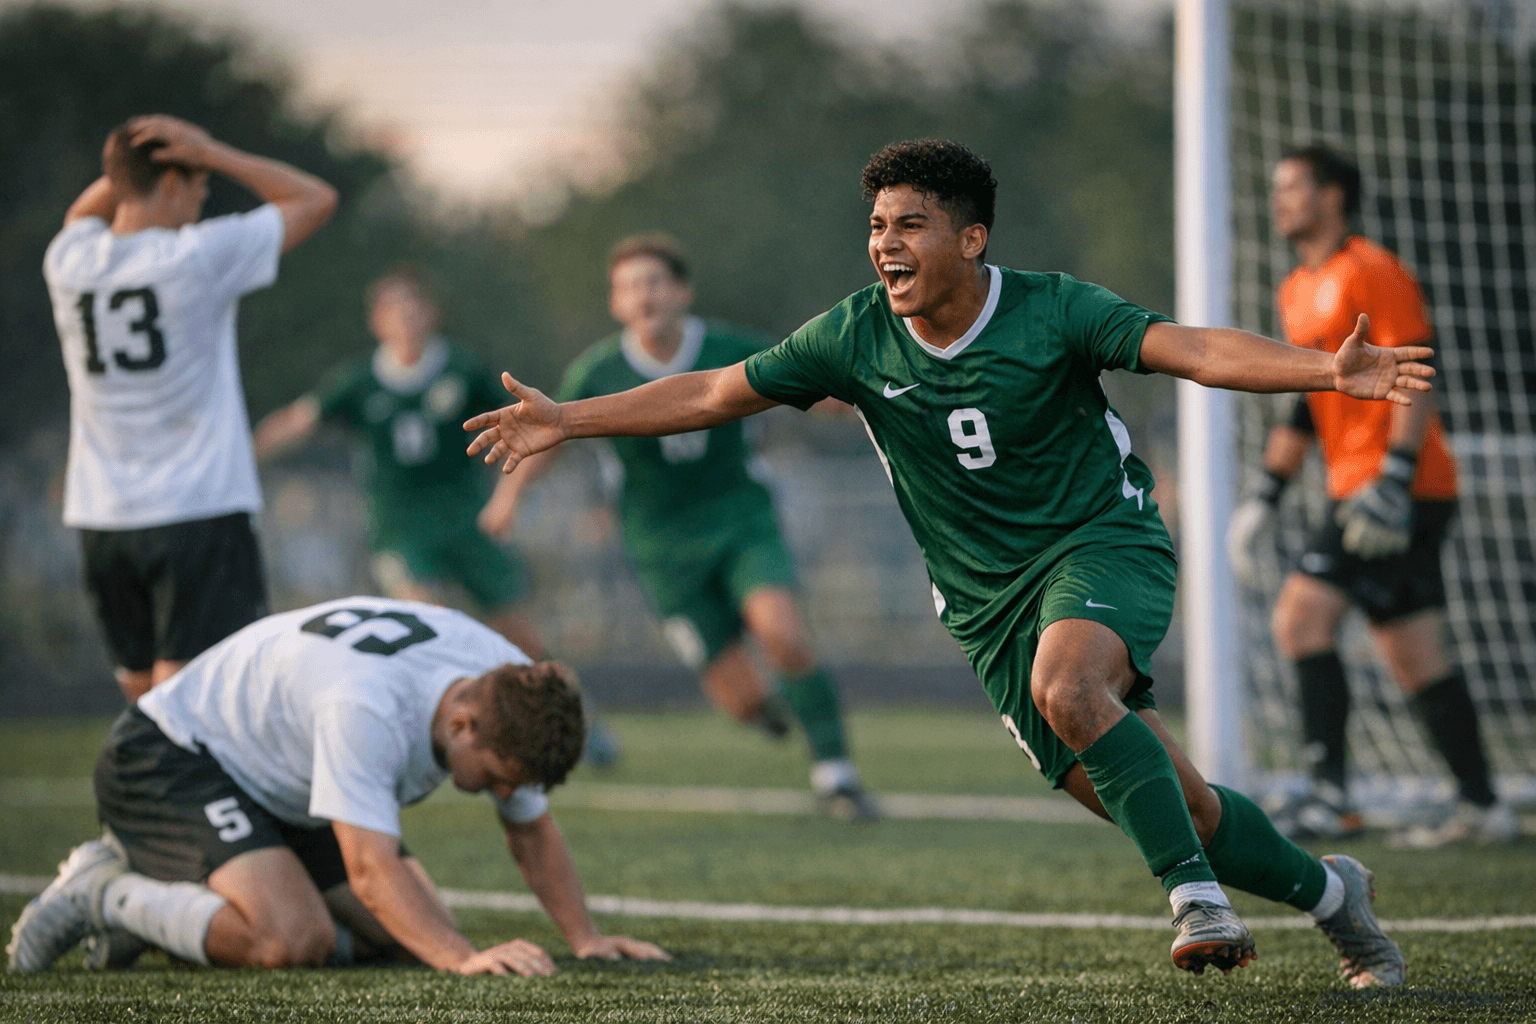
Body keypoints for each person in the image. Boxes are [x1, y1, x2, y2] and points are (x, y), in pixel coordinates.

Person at [466, 140, 1436, 986]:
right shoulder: (854, 334)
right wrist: (567, 420)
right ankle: (1332, 890)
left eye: (911, 224)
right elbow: (716, 391)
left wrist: (1322, 369)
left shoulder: (1053, 311)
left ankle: (1196, 902)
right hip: (984, 606)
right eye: (878, 224)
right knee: (1176, 802)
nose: (885, 243)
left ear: (971, 239)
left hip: (1104, 541)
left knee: (1073, 686)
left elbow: (1191, 349)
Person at [7, 596, 668, 974]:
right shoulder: (368, 708)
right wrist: (462, 959)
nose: (500, 794)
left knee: (407, 931)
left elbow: (531, 829)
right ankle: (106, 893)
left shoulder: (507, 689)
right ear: (462, 724)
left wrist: (584, 936)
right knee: (291, 940)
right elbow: (371, 869)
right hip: (170, 755)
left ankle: (173, 913)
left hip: (278, 779)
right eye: (495, 779)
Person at [480, 236, 875, 819]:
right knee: (739, 702)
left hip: (741, 520)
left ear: (682, 291)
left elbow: (802, 383)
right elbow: (550, 437)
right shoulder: (599, 369)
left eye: (656, 281)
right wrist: (508, 496)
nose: (645, 295)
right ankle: (769, 711)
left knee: (783, 634)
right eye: (630, 286)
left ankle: (836, 773)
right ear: (615, 303)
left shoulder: (727, 346)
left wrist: (859, 399)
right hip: (661, 547)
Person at [1228, 144, 1516, 848]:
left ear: (1332, 196)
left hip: (1397, 487)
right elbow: (1306, 402)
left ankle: (1332, 800)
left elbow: (1415, 371)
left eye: (1293, 187)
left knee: (1300, 619)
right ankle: (1483, 805)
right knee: (1415, 655)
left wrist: (1394, 475)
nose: (1280, 201)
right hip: (1362, 487)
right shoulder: (1296, 287)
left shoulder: (1371, 269)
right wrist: (1266, 495)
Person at [253, 269, 621, 767]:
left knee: (519, 634)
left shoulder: (463, 370)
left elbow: (520, 422)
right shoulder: (359, 381)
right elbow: (299, 419)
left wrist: (510, 495)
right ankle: (439, 736)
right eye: (393, 310)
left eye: (413, 307)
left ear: (431, 314)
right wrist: (245, 456)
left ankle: (581, 721)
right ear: (376, 322)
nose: (405, 319)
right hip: (402, 529)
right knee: (423, 618)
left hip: (469, 523)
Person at [44, 114, 338, 703]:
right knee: (200, 702)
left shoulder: (69, 260)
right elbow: (315, 198)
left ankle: (144, 794)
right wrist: (217, 150)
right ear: (174, 182)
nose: (203, 198)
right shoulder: (196, 256)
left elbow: (87, 212)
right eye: (198, 182)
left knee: (142, 695)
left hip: (104, 515)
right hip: (196, 508)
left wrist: (128, 157)